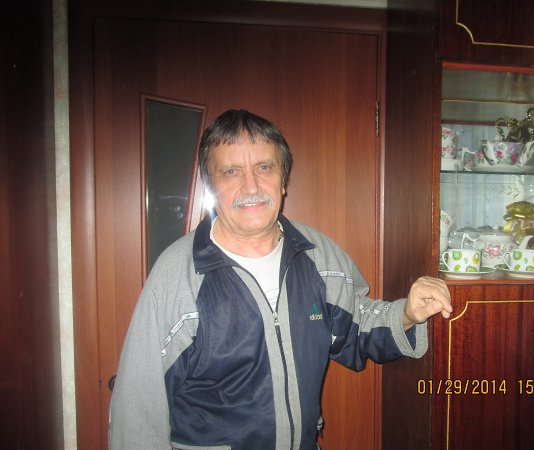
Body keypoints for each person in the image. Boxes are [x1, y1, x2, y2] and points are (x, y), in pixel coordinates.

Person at [108, 109, 452, 450]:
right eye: (231, 171)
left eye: (264, 167)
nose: (251, 186)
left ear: (283, 180)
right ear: (211, 185)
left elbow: (355, 325)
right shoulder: (176, 276)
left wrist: (406, 314)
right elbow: (137, 410)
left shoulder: (319, 256)